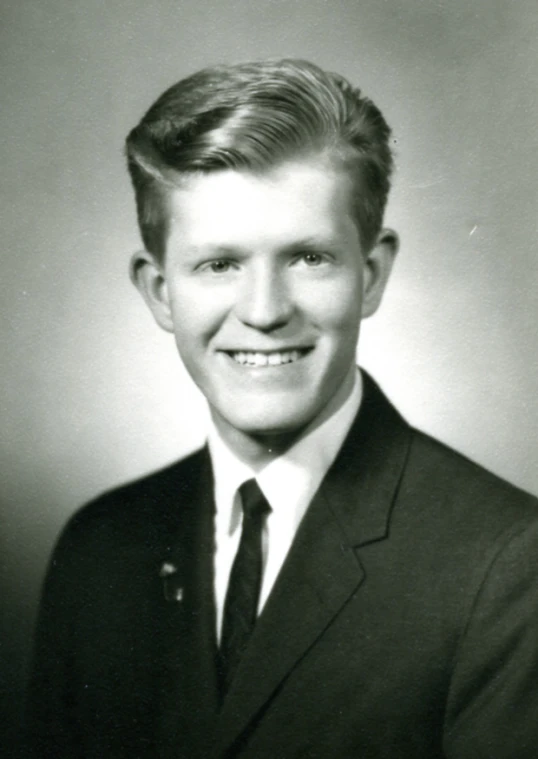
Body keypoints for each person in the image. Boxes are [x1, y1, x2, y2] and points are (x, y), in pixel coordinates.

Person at [26, 59, 538, 759]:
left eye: (307, 257)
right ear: (158, 291)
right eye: (218, 264)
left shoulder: (507, 565)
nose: (264, 311)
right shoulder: (99, 549)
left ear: (372, 274)